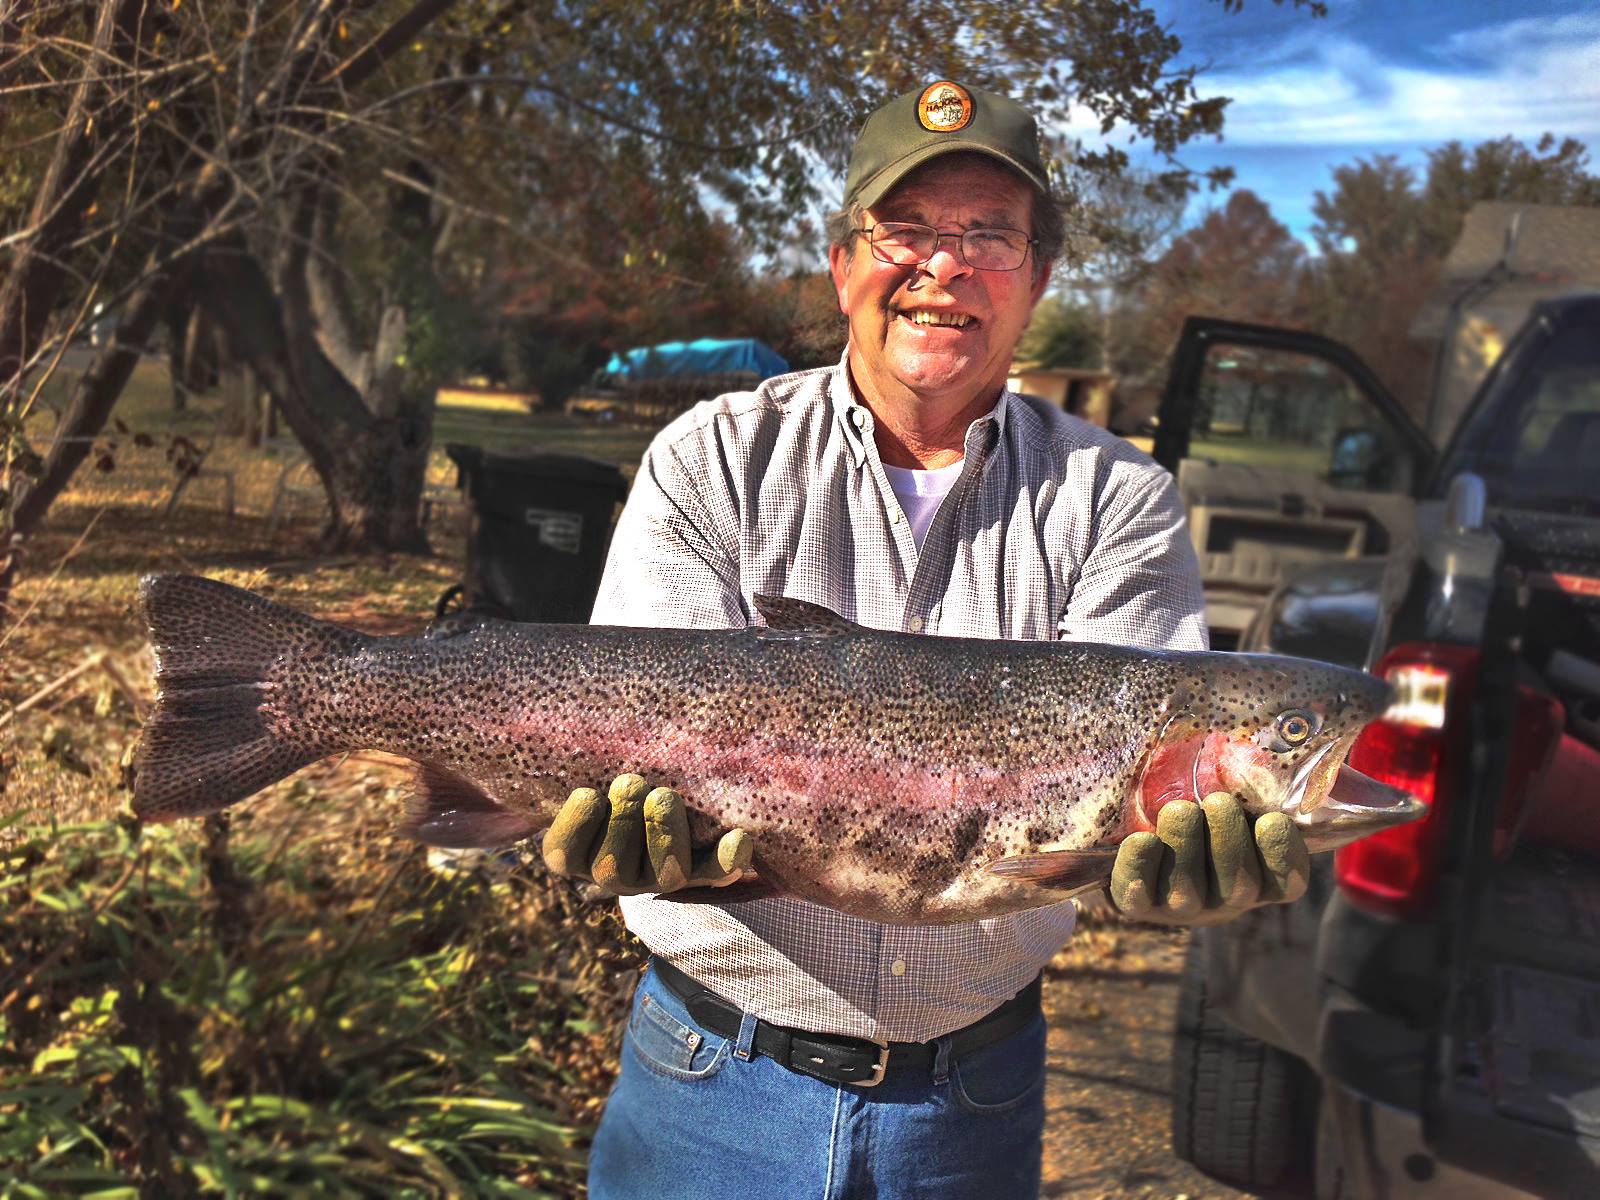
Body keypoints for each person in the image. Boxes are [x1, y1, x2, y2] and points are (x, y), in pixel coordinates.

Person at [543, 81, 1311, 1199]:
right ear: (845, 263)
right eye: (906, 230)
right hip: (708, 1077)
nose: (944, 265)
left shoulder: (1119, 500)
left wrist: (1164, 874)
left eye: (988, 235)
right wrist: (578, 807)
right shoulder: (710, 460)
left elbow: (1124, 816)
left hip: (974, 1102)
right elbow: (627, 723)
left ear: (1037, 279)